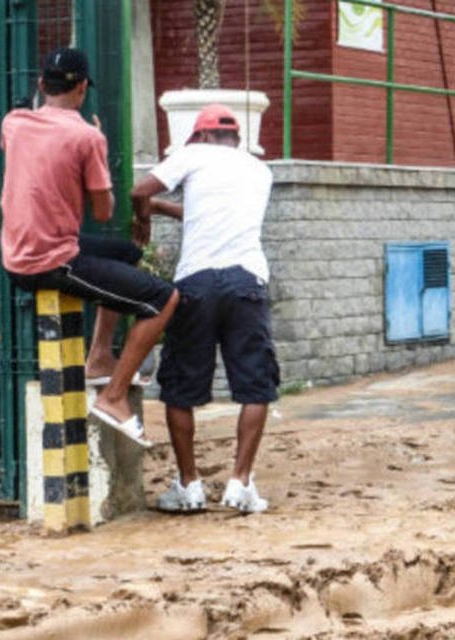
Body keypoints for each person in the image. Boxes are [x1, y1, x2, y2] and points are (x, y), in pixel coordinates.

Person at [0, 47, 178, 448]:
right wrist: (93, 148)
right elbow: (102, 210)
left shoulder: (13, 123)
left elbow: (22, 151)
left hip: (16, 253)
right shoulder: (86, 136)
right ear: (81, 88)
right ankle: (113, 396)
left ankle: (99, 354)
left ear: (43, 85)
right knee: (162, 298)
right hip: (52, 260)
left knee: (127, 254)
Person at [131, 103, 279, 514]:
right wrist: (165, 210)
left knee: (180, 387)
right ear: (236, 140)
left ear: (199, 136)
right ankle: (240, 482)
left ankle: (189, 485)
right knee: (255, 385)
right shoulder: (259, 170)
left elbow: (139, 190)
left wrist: (144, 219)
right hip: (246, 281)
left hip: (196, 283)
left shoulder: (191, 155)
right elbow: (213, 214)